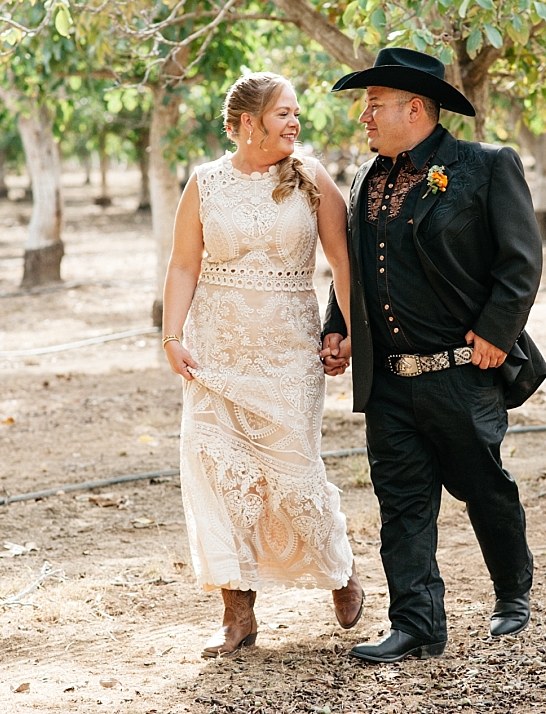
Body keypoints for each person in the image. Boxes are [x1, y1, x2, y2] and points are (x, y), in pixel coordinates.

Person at [320, 48, 546, 664]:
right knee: (401, 501)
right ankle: (416, 624)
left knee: (484, 487)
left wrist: (497, 333)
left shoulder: (485, 166)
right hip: (390, 381)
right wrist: (338, 325)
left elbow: (520, 262)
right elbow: (356, 267)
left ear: (414, 108)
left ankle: (512, 593)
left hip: (461, 373)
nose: (364, 118)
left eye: (373, 107)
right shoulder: (368, 176)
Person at [161, 72, 364, 658]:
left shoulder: (312, 179)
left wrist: (348, 330)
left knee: (294, 471)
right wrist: (172, 335)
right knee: (221, 479)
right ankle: (237, 613)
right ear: (246, 122)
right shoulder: (204, 184)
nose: (295, 123)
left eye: (296, 113)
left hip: (287, 353)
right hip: (215, 351)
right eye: (283, 114)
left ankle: (340, 569)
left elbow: (343, 262)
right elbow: (181, 267)